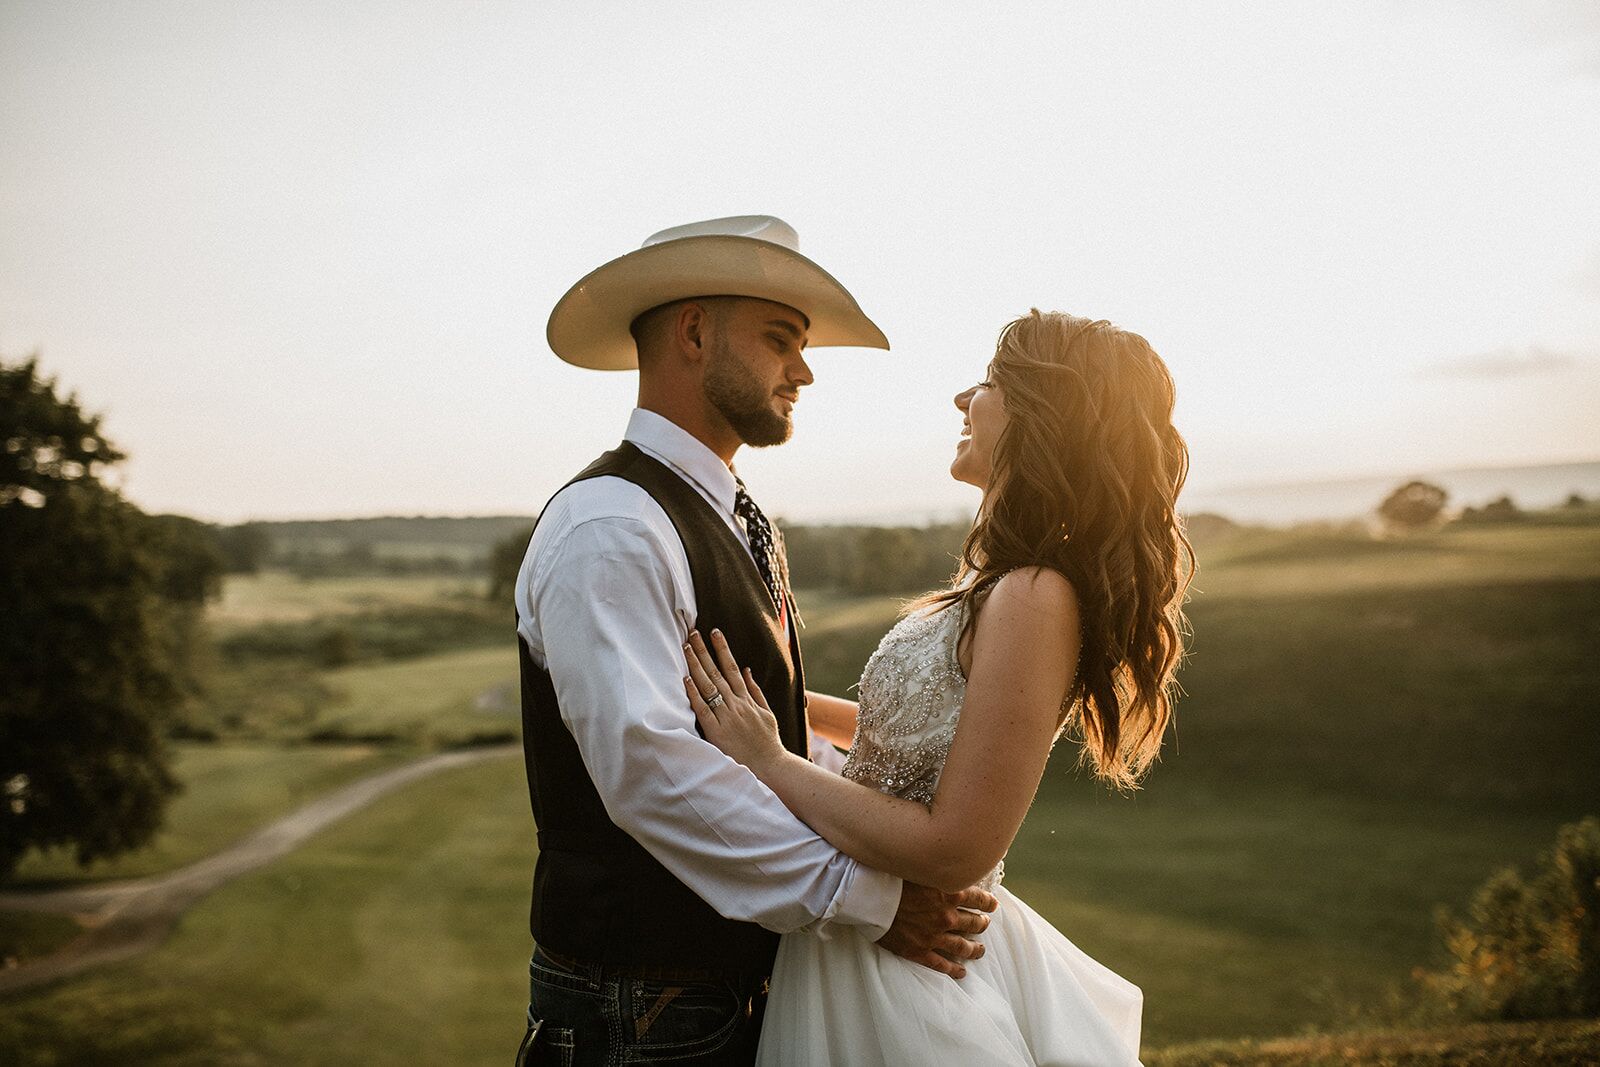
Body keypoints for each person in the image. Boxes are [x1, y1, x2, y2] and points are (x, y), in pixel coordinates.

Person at [514, 216, 1000, 1066]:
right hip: (640, 1010)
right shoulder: (613, 526)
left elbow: (756, 726)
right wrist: (871, 899)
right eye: (782, 340)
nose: (804, 371)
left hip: (738, 986)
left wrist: (895, 813)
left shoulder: (739, 518)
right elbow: (654, 770)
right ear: (695, 331)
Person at [682, 310, 1193, 1066]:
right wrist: (773, 705)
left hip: (909, 977)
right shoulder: (1006, 585)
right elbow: (927, 733)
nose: (963, 398)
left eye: (988, 382)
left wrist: (771, 759)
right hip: (862, 950)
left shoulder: (1033, 593)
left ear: (1041, 415)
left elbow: (954, 844)